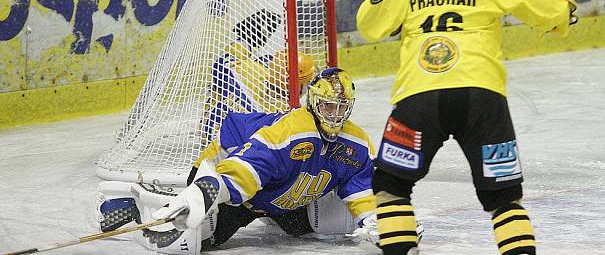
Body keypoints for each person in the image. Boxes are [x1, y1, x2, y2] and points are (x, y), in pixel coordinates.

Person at [356, 0, 578, 255]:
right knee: (504, 197)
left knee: (391, 186)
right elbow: (552, 7)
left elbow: (369, 26)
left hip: (420, 98)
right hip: (483, 100)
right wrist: (565, 14)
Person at [97, 68, 410, 254]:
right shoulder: (288, 135)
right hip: (239, 174)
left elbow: (360, 183)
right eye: (328, 108)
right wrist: (205, 190)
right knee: (191, 238)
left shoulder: (355, 141)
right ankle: (126, 201)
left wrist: (375, 220)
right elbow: (243, 173)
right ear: (314, 104)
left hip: (284, 196)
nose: (336, 115)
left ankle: (264, 210)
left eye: (342, 108)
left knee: (324, 225)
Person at [203, 8, 316, 137]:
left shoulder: (249, 74)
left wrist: (245, 42)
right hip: (238, 150)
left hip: (211, 134)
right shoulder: (286, 113)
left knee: (227, 75)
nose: (306, 87)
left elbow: (223, 62)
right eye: (305, 83)